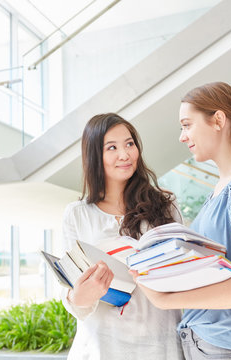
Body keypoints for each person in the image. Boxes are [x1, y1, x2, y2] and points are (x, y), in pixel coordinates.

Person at [132, 82, 231, 360]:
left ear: (218, 120)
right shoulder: (221, 188)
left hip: (229, 346)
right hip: (208, 343)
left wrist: (167, 300)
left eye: (187, 125)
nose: (182, 136)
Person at [61, 113, 184, 360]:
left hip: (161, 342)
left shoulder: (165, 206)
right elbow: (70, 291)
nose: (125, 154)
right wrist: (79, 296)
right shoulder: (77, 214)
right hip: (102, 345)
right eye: (112, 147)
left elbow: (182, 274)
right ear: (95, 156)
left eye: (130, 144)